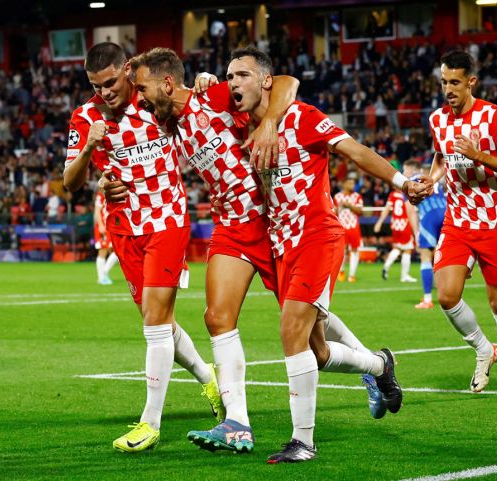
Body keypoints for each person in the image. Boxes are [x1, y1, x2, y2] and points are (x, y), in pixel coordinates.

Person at [104, 47, 387, 455]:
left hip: (273, 225)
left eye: (143, 89)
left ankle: (376, 366)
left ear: (168, 84)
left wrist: (269, 121)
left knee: (314, 341)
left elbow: (286, 83)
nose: (140, 99)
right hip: (232, 229)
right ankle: (237, 422)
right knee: (216, 317)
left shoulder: (214, 95)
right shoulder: (171, 127)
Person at [210, 46, 429, 463]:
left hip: (318, 235)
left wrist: (402, 183)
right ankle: (380, 365)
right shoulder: (238, 126)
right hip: (280, 244)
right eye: (228, 76)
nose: (233, 82)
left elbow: (355, 151)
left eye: (241, 75)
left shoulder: (302, 116)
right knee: (317, 349)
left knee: (291, 331)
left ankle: (303, 441)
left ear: (266, 81)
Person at [62, 42, 223, 453]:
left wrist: (206, 83)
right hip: (124, 227)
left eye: (112, 83)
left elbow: (193, 99)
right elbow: (70, 181)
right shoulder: (85, 117)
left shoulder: (154, 101)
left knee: (154, 322)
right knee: (160, 323)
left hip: (167, 220)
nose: (105, 93)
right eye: (96, 86)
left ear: (128, 71)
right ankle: (209, 379)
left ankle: (150, 424)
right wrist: (88, 149)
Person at [428, 50, 497, 399]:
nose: (448, 89)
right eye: (444, 82)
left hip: (493, 220)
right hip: (457, 220)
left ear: (471, 81)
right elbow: (441, 156)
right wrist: (430, 180)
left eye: (455, 82)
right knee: (446, 294)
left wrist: (478, 155)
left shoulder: (493, 116)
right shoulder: (437, 119)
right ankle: (484, 349)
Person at [402, 160, 446, 309]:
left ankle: (427, 299)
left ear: (412, 170)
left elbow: (409, 208)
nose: (403, 174)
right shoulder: (437, 182)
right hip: (446, 213)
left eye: (404, 170)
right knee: (442, 256)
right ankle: (448, 295)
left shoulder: (412, 181)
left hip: (429, 215)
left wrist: (416, 232)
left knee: (425, 255)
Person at [373, 181, 418, 283]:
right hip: (404, 224)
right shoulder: (407, 195)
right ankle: (404, 276)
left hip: (395, 225)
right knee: (407, 250)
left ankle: (386, 266)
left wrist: (379, 222)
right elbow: (410, 211)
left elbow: (386, 209)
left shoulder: (392, 195)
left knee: (398, 248)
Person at [334, 176, 363, 282]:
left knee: (355, 250)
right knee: (342, 251)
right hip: (341, 227)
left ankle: (351, 275)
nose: (352, 186)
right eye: (350, 183)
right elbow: (334, 212)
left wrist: (349, 206)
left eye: (353, 183)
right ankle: (341, 272)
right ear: (344, 184)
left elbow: (360, 211)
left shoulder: (357, 196)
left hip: (353, 226)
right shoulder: (337, 197)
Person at [93, 190, 119, 285]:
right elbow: (97, 211)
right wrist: (100, 225)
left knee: (116, 251)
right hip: (103, 226)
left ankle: (103, 275)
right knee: (103, 251)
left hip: (111, 226)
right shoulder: (100, 196)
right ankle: (102, 277)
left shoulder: (113, 194)